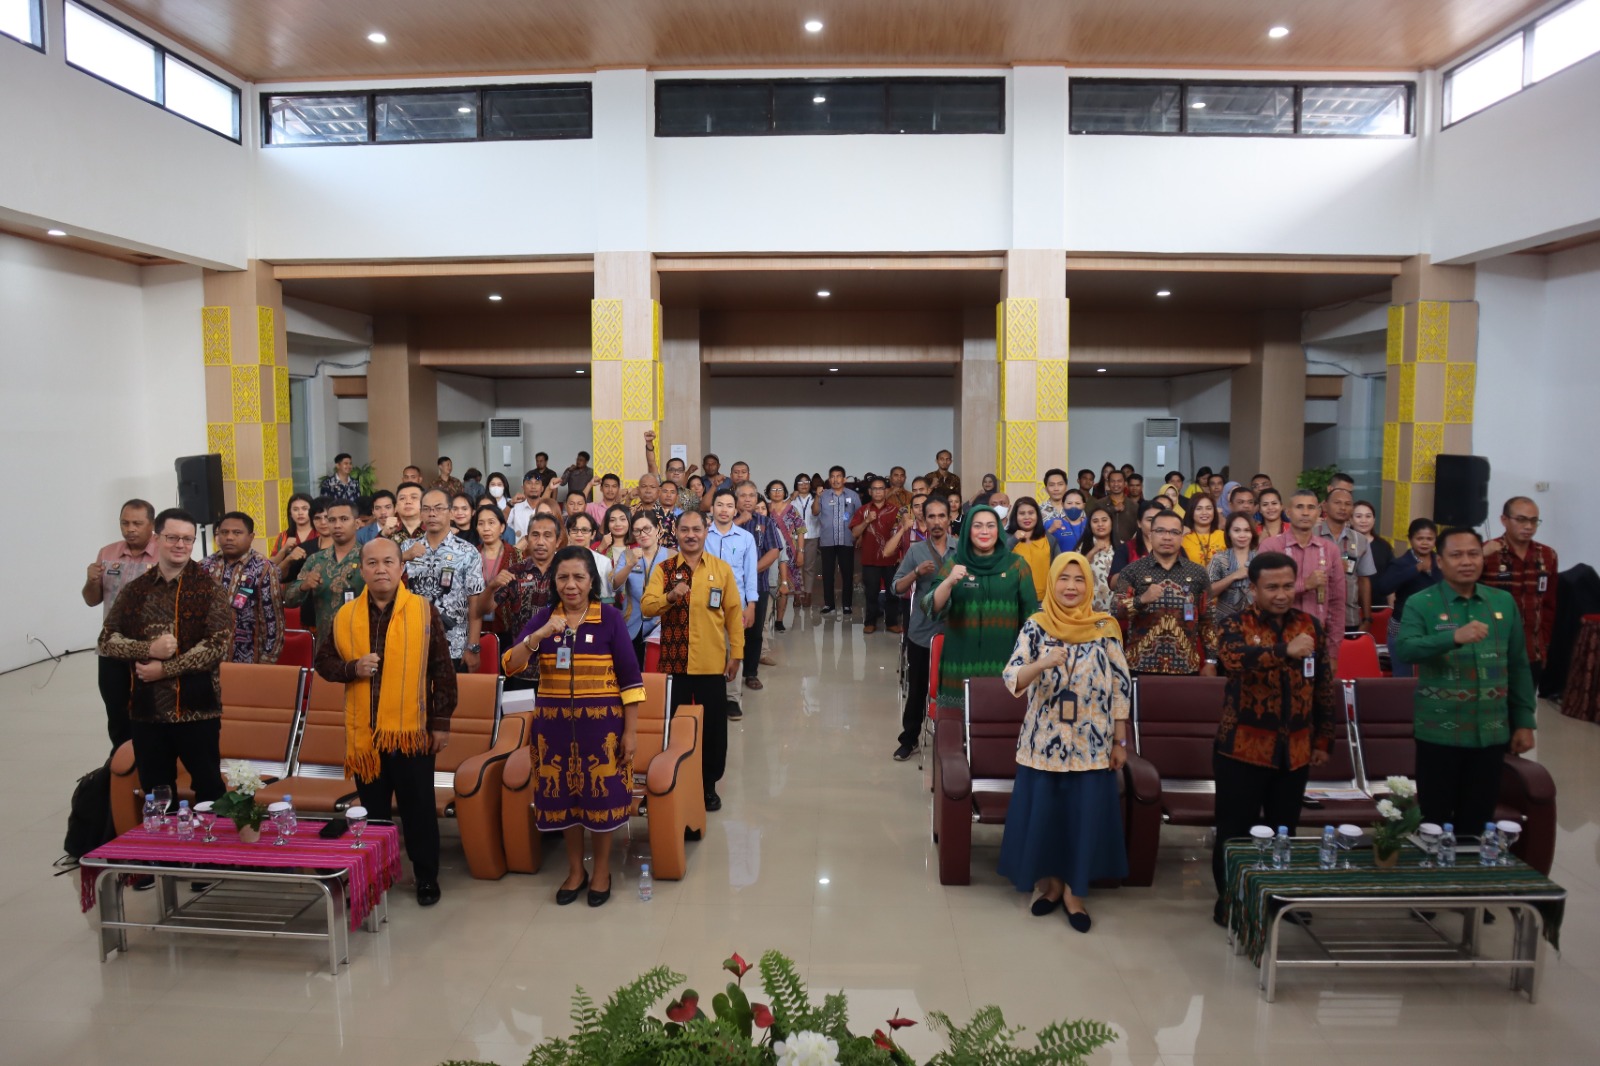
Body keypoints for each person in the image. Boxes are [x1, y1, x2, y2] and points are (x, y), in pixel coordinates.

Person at [315, 537, 456, 907]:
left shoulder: (424, 611)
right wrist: (352, 668)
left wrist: (440, 724)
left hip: (413, 732)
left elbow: (443, 669)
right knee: (373, 813)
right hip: (366, 735)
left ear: (401, 567)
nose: (381, 569)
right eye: (373, 563)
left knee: (419, 809)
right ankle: (376, 875)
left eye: (388, 562)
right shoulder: (345, 616)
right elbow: (324, 662)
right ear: (361, 570)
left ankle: (426, 878)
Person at [500, 546, 643, 907]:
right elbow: (510, 665)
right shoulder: (546, 618)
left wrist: (630, 731)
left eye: (579, 576)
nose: (571, 584)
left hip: (603, 729)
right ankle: (575, 869)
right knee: (564, 799)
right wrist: (540, 634)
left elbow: (630, 679)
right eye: (563, 577)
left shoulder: (609, 618)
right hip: (554, 730)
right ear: (554, 582)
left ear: (592, 580)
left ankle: (601, 872)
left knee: (602, 798)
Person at [999, 553, 1131, 932]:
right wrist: (1042, 663)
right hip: (1044, 744)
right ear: (1052, 583)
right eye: (1064, 579)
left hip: (1093, 743)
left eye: (1079, 579)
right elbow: (1012, 676)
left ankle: (1075, 893)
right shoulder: (1037, 626)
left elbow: (1120, 688)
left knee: (1083, 817)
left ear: (1089, 585)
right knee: (1049, 816)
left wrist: (1120, 741)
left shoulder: (1106, 626)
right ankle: (1052, 886)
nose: (1071, 587)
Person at [1210, 551, 1338, 926]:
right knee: (1234, 832)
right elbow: (1232, 660)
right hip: (1242, 750)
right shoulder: (1234, 623)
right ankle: (1230, 901)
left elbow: (1324, 688)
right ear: (1253, 588)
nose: (1281, 594)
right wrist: (1284, 651)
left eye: (1286, 586)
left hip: (1294, 752)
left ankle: (1280, 898)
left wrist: (1323, 740)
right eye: (1271, 587)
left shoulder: (1310, 625)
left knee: (1285, 831)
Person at [1393, 528, 1537, 836]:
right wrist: (1452, 638)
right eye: (1456, 555)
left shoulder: (1502, 603)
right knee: (1434, 821)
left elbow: (1519, 666)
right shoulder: (1422, 603)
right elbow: (1405, 648)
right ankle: (1436, 878)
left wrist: (1524, 721)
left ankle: (1470, 879)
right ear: (1440, 562)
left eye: (1473, 554)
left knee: (1477, 820)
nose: (1466, 562)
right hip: (1438, 734)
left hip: (1490, 732)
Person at [98, 508, 232, 808]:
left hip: (197, 710)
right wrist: (147, 650)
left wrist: (165, 668)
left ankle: (209, 851)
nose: (181, 545)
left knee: (209, 789)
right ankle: (164, 852)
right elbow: (107, 640)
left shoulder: (208, 588)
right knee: (157, 793)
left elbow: (217, 645)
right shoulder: (135, 590)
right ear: (158, 539)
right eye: (173, 538)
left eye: (187, 539)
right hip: (147, 711)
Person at [641, 508, 744, 812]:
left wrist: (736, 652)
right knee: (672, 728)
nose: (690, 535)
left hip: (712, 664)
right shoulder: (664, 569)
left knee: (712, 729)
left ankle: (708, 785)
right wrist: (669, 598)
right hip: (674, 665)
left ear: (705, 531)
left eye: (696, 529)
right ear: (676, 533)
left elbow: (734, 614)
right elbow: (647, 607)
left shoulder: (721, 569)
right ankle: (668, 781)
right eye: (684, 530)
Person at [925, 505, 1040, 711]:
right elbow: (931, 607)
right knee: (959, 730)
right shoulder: (955, 564)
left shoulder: (1017, 566)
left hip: (1004, 663)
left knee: (999, 729)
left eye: (990, 526)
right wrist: (949, 581)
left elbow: (1031, 620)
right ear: (968, 530)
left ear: (999, 530)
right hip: (960, 663)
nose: (984, 532)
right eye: (977, 526)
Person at [85, 499, 161, 748]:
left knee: (150, 710)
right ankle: (120, 760)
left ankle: (150, 759)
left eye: (137, 523)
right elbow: (92, 600)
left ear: (152, 525)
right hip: (112, 647)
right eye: (125, 523)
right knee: (115, 708)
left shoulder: (165, 552)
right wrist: (92, 581)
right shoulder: (107, 553)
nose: (130, 529)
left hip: (150, 648)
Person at [1111, 509, 1216, 677]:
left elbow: (1208, 620)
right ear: (1150, 534)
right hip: (1141, 665)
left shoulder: (1197, 573)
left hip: (1185, 666)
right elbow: (1116, 611)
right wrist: (1142, 599)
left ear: (1182, 537)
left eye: (1174, 532)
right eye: (1160, 531)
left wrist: (1211, 661)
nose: (1167, 537)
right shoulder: (1132, 571)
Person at [892, 496, 954, 762]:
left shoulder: (962, 548)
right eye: (932, 517)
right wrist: (916, 572)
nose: (937, 521)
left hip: (956, 632)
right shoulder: (916, 550)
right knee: (917, 689)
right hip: (922, 632)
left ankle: (953, 741)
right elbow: (896, 587)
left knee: (953, 689)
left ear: (950, 518)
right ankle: (909, 739)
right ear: (924, 520)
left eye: (942, 516)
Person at [1259, 489, 1347, 671]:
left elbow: (1337, 603)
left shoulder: (1330, 550)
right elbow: (1262, 594)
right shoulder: (1271, 546)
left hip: (1317, 639)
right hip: (1276, 639)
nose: (1305, 513)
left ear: (1318, 513)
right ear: (1288, 512)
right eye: (1299, 507)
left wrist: (1333, 652)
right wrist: (1304, 585)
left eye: (1311, 507)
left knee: (1314, 697)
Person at [403, 489, 486, 672]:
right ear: (421, 513)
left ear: (450, 512)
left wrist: (472, 646)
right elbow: (386, 585)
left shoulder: (468, 552)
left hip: (455, 647)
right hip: (413, 645)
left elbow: (475, 604)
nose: (432, 514)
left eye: (438, 508)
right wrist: (403, 557)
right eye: (427, 509)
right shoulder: (407, 548)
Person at [1483, 497, 1560, 687]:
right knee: (1491, 710)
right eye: (1521, 519)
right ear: (1504, 520)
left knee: (1523, 709)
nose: (1529, 526)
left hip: (1531, 651)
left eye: (1534, 521)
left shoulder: (1548, 555)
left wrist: (1545, 644)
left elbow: (1549, 604)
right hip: (1492, 649)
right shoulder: (1486, 552)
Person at [201, 510, 284, 664]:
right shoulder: (205, 566)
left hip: (248, 659)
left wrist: (268, 660)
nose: (229, 537)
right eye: (224, 532)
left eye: (237, 532)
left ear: (251, 537)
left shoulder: (263, 569)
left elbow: (273, 622)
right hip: (207, 659)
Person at [284, 498, 364, 645]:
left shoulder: (368, 558)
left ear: (357, 524)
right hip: (324, 645)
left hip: (361, 643)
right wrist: (304, 586)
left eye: (344, 519)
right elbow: (289, 600)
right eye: (332, 520)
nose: (337, 525)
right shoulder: (316, 560)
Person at [496, 512, 562, 687]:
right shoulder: (515, 571)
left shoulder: (566, 573)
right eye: (535, 535)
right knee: (518, 715)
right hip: (521, 667)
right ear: (527, 538)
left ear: (558, 540)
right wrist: (490, 587)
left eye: (547, 536)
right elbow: (484, 608)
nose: (540, 542)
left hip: (558, 669)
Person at [1373, 518, 1443, 677]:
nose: (1424, 543)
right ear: (1410, 539)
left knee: (1434, 676)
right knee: (1403, 678)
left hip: (1434, 627)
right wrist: (1415, 569)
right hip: (1403, 627)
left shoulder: (1441, 561)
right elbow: (1383, 588)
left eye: (1429, 538)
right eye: (1420, 538)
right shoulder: (1401, 563)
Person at [731, 483, 782, 697]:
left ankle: (751, 672)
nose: (748, 499)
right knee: (730, 631)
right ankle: (728, 671)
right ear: (736, 498)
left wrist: (749, 573)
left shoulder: (766, 522)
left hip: (757, 586)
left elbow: (773, 551)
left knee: (754, 631)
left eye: (752, 495)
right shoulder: (726, 522)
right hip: (728, 587)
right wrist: (738, 521)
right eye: (742, 495)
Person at [853, 476, 908, 635]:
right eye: (875, 489)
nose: (878, 491)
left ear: (886, 491)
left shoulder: (895, 510)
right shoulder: (863, 511)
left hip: (891, 559)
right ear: (870, 491)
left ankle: (891, 622)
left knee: (892, 592)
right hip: (870, 559)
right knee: (871, 593)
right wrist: (867, 521)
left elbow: (902, 533)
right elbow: (855, 533)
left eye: (881, 488)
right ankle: (870, 622)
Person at [1317, 486, 1376, 632]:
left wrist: (1367, 617)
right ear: (1325, 505)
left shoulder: (1361, 540)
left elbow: (1363, 580)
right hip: (1315, 617)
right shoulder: (1311, 535)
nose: (1343, 507)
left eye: (1348, 504)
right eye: (1337, 502)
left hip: (1349, 618)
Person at [616, 510, 669, 664]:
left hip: (660, 624)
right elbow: (616, 587)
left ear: (658, 529)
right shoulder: (627, 555)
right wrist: (630, 564)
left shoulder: (672, 555)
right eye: (637, 531)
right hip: (633, 623)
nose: (643, 534)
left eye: (647, 528)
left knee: (656, 676)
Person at [817, 466, 863, 618]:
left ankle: (847, 605)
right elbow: (815, 512)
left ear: (844, 479)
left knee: (847, 573)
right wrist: (817, 497)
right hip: (827, 540)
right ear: (829, 479)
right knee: (828, 574)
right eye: (832, 476)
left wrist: (860, 536)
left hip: (847, 540)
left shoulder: (853, 495)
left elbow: (860, 516)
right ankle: (829, 604)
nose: (835, 479)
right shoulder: (823, 496)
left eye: (839, 476)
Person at [473, 504, 519, 642]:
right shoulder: (470, 556)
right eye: (481, 524)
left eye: (491, 523)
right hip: (476, 626)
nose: (486, 528)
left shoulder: (516, 556)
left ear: (502, 527)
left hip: (509, 629)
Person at [1207, 512, 1259, 626]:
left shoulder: (1260, 559)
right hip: (1223, 622)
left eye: (1247, 530)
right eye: (1237, 530)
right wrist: (1233, 576)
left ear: (1252, 533)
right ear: (1229, 533)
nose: (1242, 535)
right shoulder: (1219, 559)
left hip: (1256, 622)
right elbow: (1207, 592)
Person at [1006, 497, 1053, 603]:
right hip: (1014, 600)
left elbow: (1058, 568)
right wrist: (1013, 539)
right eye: (1022, 513)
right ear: (1015, 516)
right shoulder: (1006, 537)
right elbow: (998, 560)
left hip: (1044, 601)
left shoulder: (1049, 539)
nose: (1027, 517)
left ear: (1037, 515)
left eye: (1031, 513)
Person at [1075, 508, 1120, 613]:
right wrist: (1093, 551)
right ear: (1090, 525)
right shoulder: (1082, 548)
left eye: (1104, 520)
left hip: (1116, 609)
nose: (1100, 524)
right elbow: (1077, 571)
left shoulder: (1122, 547)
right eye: (1095, 521)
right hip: (1090, 608)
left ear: (1112, 523)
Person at [270, 493, 318, 578]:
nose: (300, 513)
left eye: (304, 509)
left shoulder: (319, 533)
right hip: (288, 584)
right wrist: (284, 549)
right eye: (295, 509)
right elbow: (270, 565)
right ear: (290, 513)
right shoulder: (283, 536)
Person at [1351, 500, 1393, 585]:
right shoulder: (1345, 544)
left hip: (1379, 596)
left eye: (1368, 516)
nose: (1364, 520)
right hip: (1352, 596)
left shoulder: (1384, 546)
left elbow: (1390, 576)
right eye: (1358, 516)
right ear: (1350, 520)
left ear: (1374, 519)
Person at [1090, 470, 1139, 543]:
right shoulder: (1099, 504)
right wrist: (1113, 509)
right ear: (1108, 483)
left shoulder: (1134, 505)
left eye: (1119, 481)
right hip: (1104, 546)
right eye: (1113, 481)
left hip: (1127, 548)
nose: (1116, 484)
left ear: (1125, 483)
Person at [1181, 493, 1226, 567]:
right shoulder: (1183, 537)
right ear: (1191, 511)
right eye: (1199, 508)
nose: (1204, 513)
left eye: (1208, 508)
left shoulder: (1224, 536)